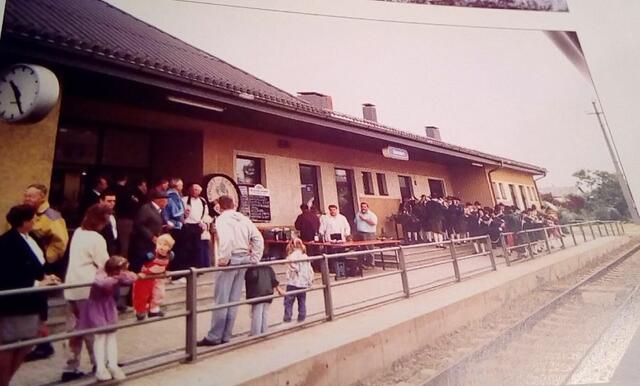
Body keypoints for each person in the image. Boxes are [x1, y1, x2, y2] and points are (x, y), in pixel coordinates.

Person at [0, 205, 60, 386]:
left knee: (26, 343)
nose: (36, 221)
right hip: (16, 303)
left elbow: (35, 266)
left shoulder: (32, 238)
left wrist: (45, 277)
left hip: (34, 302)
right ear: (24, 221)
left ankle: (6, 380)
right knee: (9, 344)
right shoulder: (6, 242)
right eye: (33, 218)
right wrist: (36, 282)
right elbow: (7, 274)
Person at [198, 195, 264, 346]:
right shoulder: (243, 218)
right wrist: (255, 258)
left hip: (230, 259)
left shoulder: (222, 219)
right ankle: (226, 334)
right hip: (244, 258)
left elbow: (226, 239)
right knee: (233, 299)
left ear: (219, 206)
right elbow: (258, 238)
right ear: (233, 205)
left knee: (222, 299)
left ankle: (214, 336)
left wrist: (225, 258)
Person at [62, 204, 111, 382]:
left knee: (73, 329)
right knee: (93, 329)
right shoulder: (96, 238)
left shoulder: (77, 233)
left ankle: (70, 366)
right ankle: (99, 363)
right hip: (88, 287)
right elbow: (104, 264)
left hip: (72, 284)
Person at [22, 183, 69, 361]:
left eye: (31, 196)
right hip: (27, 265)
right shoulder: (26, 213)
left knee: (37, 305)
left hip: (41, 266)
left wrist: (44, 260)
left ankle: (43, 344)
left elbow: (60, 242)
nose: (27, 199)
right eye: (26, 196)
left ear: (42, 197)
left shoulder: (52, 216)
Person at [79, 256, 137, 382]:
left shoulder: (117, 275)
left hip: (108, 306)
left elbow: (132, 277)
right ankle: (100, 368)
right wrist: (119, 277)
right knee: (100, 337)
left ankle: (113, 365)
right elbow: (104, 284)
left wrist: (122, 275)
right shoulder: (100, 275)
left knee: (111, 336)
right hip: (97, 307)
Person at [132, 234, 175, 320]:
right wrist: (138, 273)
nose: (162, 247)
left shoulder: (170, 255)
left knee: (159, 293)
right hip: (145, 277)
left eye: (165, 245)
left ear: (170, 247)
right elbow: (137, 262)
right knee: (142, 294)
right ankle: (140, 312)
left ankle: (154, 310)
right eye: (160, 244)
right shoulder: (150, 254)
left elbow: (167, 264)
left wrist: (166, 271)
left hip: (158, 277)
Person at [129, 190, 169, 273]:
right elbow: (139, 224)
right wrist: (151, 236)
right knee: (139, 263)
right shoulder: (146, 208)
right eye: (166, 200)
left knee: (149, 263)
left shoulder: (160, 210)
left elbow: (155, 223)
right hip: (143, 243)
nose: (167, 202)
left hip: (153, 244)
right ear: (159, 200)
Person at [244, 257, 283, 336]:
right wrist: (279, 289)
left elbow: (249, 278)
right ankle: (264, 331)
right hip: (268, 292)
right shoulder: (268, 268)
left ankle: (255, 333)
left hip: (256, 293)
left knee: (256, 314)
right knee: (265, 313)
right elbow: (274, 280)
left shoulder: (252, 268)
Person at [182, 183, 213, 269]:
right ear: (190, 190)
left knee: (198, 247)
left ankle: (198, 268)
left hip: (198, 225)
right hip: (187, 225)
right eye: (195, 190)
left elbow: (206, 213)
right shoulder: (184, 200)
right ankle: (187, 268)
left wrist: (204, 223)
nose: (196, 192)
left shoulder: (202, 201)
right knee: (187, 247)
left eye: (198, 190)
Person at [283, 239, 314, 323]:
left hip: (293, 282)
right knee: (302, 300)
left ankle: (287, 317)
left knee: (288, 301)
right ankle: (302, 317)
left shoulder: (290, 257)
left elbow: (294, 268)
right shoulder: (305, 256)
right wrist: (310, 280)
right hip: (303, 282)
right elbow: (309, 269)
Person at [354, 202, 378, 268]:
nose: (363, 208)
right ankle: (362, 264)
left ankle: (371, 264)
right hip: (360, 233)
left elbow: (374, 223)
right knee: (361, 249)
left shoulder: (371, 215)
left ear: (367, 207)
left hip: (369, 233)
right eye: (362, 207)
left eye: (365, 207)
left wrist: (365, 219)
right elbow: (355, 222)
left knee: (369, 248)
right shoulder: (358, 214)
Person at [99, 190, 119, 255]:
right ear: (101, 201)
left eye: (114, 201)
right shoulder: (96, 216)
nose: (112, 203)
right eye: (109, 201)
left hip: (113, 247)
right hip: (102, 248)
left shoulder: (113, 214)